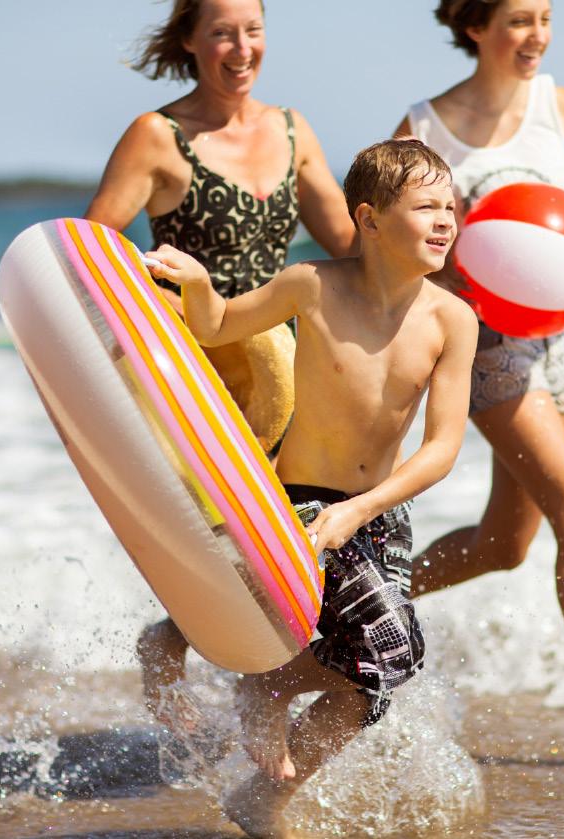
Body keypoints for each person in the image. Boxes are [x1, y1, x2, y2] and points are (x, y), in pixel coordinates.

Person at [145, 138, 478, 839]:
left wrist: (362, 510)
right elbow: (217, 327)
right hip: (300, 499)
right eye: (426, 207)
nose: (445, 220)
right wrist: (198, 284)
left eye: (449, 207)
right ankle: (260, 683)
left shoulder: (452, 318)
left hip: (378, 510)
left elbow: (442, 447)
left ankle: (261, 793)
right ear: (370, 219)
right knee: (392, 650)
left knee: (378, 679)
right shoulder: (312, 285)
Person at [395, 0, 564, 763]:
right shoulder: (423, 128)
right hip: (486, 345)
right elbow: (385, 242)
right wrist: (450, 267)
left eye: (544, 17)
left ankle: (355, 601)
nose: (537, 35)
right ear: (474, 26)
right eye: (518, 19)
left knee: (504, 543)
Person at [84, 0, 357, 725]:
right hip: (201, 365)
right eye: (222, 33)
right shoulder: (157, 135)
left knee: (289, 530)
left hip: (290, 360)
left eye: (253, 31)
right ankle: (223, 667)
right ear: (190, 41)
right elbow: (96, 255)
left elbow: (346, 245)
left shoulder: (292, 129)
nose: (241, 48)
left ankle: (207, 652)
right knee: (240, 534)